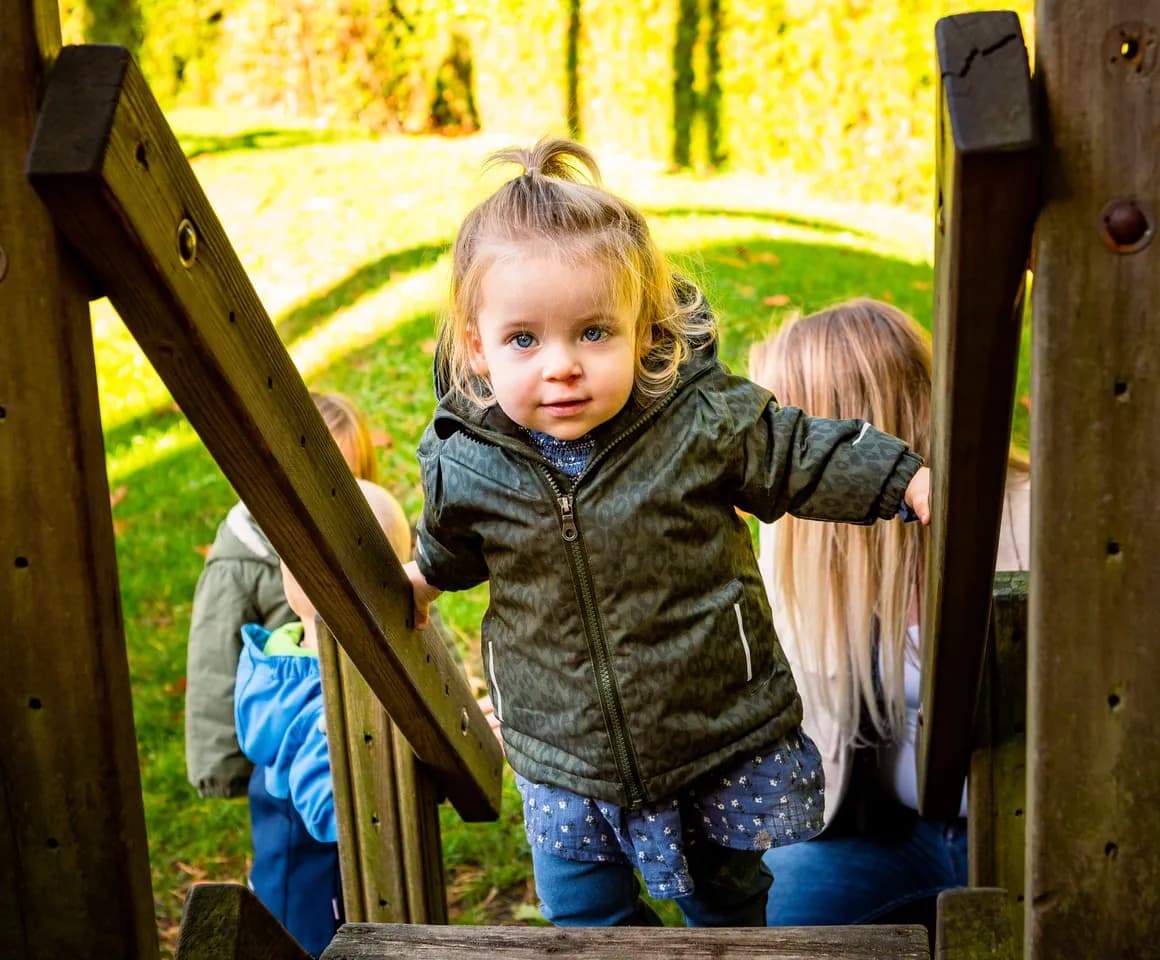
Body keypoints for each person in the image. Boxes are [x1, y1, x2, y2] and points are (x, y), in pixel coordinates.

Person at [402, 138, 932, 928]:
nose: (561, 367)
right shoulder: (466, 462)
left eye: (592, 333)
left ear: (645, 331)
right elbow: (451, 542)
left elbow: (793, 452)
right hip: (564, 753)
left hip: (710, 735)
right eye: (524, 339)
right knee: (582, 912)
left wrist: (902, 478)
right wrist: (421, 577)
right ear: (477, 348)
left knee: (725, 903)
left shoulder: (697, 422)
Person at [749, 298, 1029, 929]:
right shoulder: (794, 544)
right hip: (879, 837)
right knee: (770, 916)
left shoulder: (1032, 518)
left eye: (776, 431)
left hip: (1031, 829)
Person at [235, 478, 410, 958]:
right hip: (320, 898)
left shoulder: (279, 655)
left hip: (282, 871)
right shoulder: (324, 694)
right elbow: (331, 813)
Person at [185, 391, 378, 799]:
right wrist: (221, 767)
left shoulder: (369, 542)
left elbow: (418, 622)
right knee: (296, 854)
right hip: (285, 754)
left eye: (344, 483)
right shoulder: (241, 565)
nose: (327, 501)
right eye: (312, 484)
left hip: (367, 731)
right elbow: (214, 664)